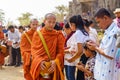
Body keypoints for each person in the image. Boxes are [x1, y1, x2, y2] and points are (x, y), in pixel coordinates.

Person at [30, 13, 65, 80]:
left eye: (53, 22)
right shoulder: (37, 34)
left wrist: (56, 61)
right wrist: (39, 61)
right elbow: (34, 51)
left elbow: (61, 51)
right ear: (44, 21)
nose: (51, 24)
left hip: (53, 67)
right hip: (41, 67)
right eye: (49, 22)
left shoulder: (58, 35)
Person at [87, 8, 119, 80]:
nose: (98, 25)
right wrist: (96, 45)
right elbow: (106, 48)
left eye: (99, 22)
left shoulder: (115, 31)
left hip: (109, 75)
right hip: (103, 73)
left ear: (105, 18)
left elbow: (110, 54)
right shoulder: (108, 31)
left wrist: (95, 48)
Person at [65, 15, 89, 80]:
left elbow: (80, 51)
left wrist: (71, 59)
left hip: (83, 58)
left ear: (72, 24)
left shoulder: (78, 33)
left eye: (70, 25)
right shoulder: (84, 32)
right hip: (87, 57)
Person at [113, 8, 120, 80]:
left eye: (119, 13)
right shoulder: (114, 22)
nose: (118, 14)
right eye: (116, 13)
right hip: (117, 42)